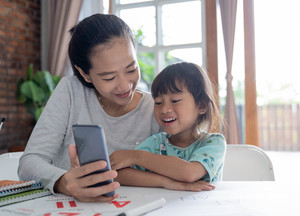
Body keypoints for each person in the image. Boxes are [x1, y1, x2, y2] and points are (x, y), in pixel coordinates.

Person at [17, 14, 164, 202]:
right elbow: (29, 163)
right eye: (109, 77)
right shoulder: (71, 91)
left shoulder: (156, 108)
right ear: (84, 73)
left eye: (131, 69)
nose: (124, 85)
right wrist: (64, 182)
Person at [110, 62, 227, 189]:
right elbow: (117, 174)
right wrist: (167, 183)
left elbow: (189, 173)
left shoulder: (214, 143)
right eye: (158, 102)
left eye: (175, 100)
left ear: (202, 105)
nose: (164, 109)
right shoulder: (156, 142)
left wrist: (135, 156)